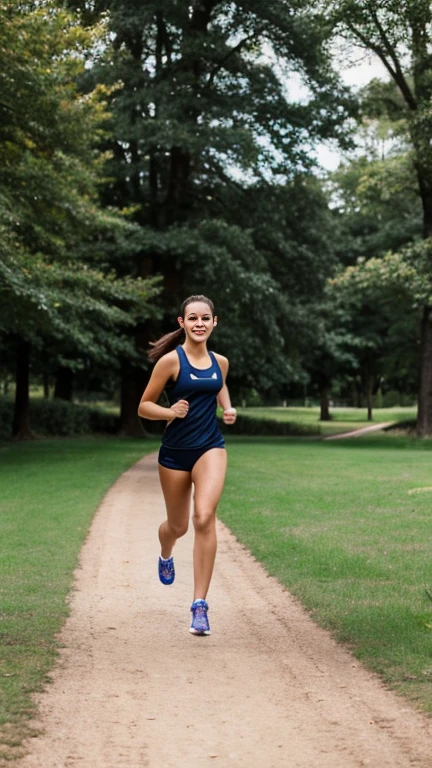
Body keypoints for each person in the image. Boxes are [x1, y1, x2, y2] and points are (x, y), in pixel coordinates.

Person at [137, 295, 237, 635]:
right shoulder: (170, 362)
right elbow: (144, 406)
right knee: (178, 527)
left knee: (204, 517)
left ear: (214, 322)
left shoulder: (220, 361)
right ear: (182, 323)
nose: (199, 323)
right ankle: (166, 550)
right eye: (192, 318)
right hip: (175, 453)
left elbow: (218, 385)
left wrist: (228, 408)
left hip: (210, 447)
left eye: (205, 318)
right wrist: (170, 412)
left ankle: (199, 606)